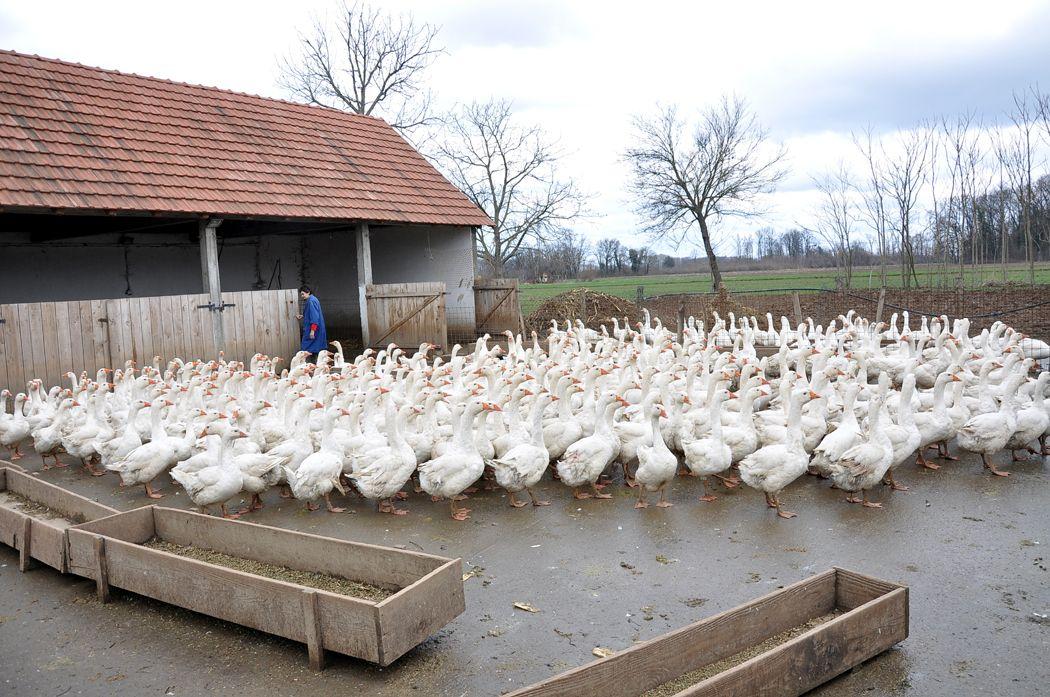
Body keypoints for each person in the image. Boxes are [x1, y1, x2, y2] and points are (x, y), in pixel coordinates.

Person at [296, 285, 327, 363]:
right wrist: (303, 316)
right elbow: (313, 314)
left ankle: (310, 367)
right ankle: (316, 366)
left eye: (303, 294)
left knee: (307, 348)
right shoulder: (314, 299)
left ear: (308, 292)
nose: (302, 296)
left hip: (313, 329)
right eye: (301, 295)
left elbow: (314, 317)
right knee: (315, 348)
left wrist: (312, 331)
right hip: (317, 328)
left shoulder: (310, 301)